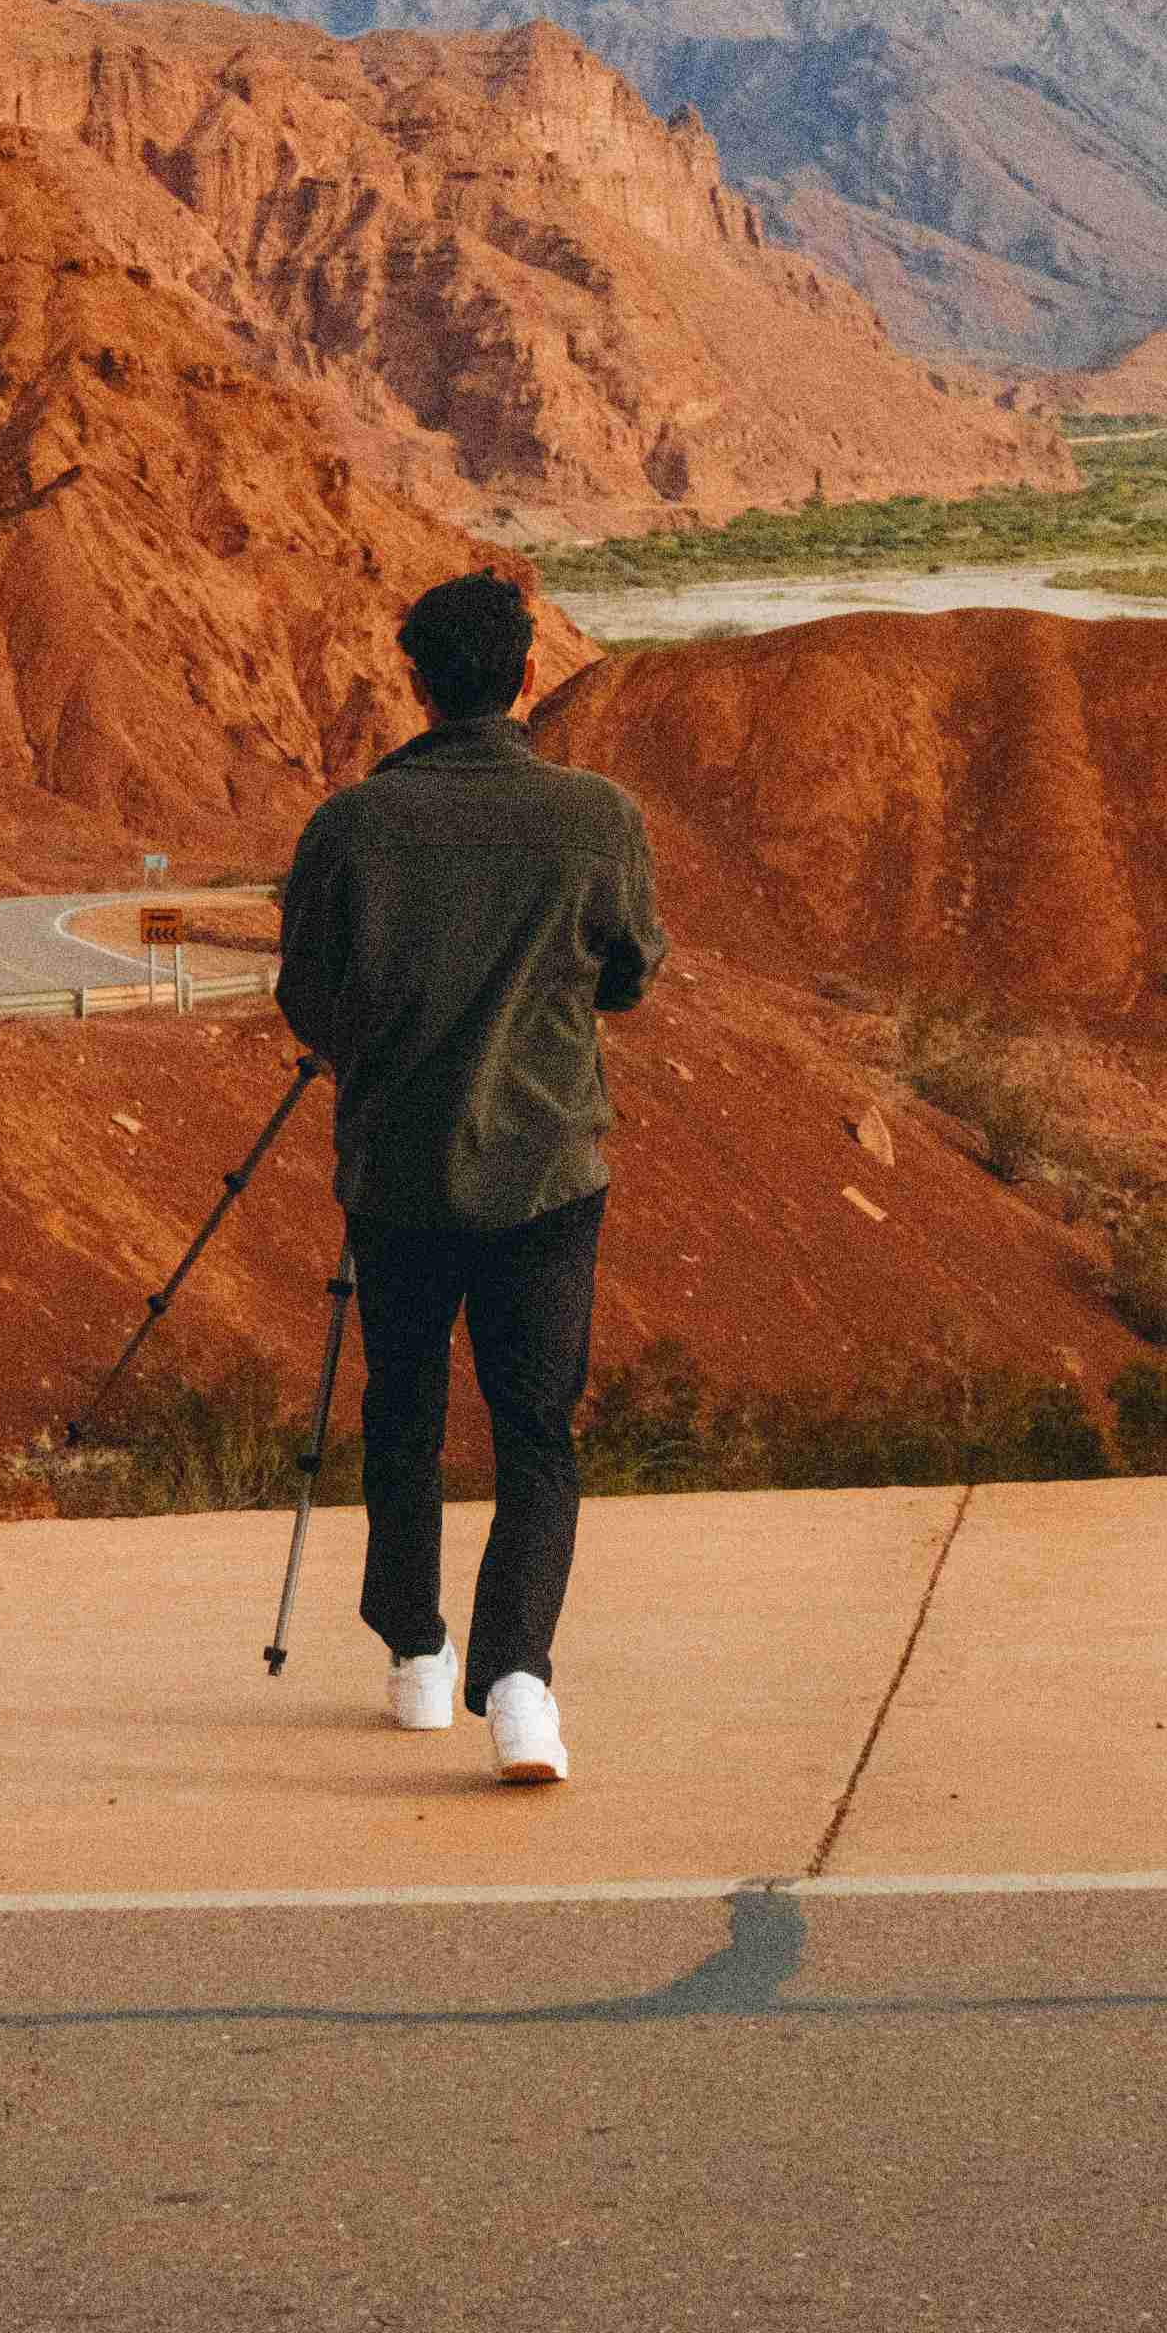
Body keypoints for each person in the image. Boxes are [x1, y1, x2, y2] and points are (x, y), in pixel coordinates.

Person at [273, 569, 663, 1786]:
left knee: (405, 1411)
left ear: (416, 683)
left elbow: (305, 996)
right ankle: (521, 1687)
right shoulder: (596, 817)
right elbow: (630, 973)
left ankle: (417, 1659)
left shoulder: (349, 826)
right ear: (528, 675)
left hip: (394, 1172)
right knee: (537, 1430)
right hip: (547, 1171)